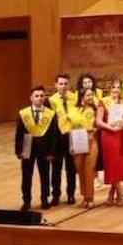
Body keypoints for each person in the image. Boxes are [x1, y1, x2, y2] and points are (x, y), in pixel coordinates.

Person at [15, 86, 61, 211]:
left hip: (44, 148)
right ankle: (26, 201)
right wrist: (18, 151)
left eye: (42, 96)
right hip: (27, 146)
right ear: (31, 98)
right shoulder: (23, 113)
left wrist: (52, 152)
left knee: (45, 175)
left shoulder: (50, 114)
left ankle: (44, 199)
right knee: (26, 175)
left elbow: (53, 136)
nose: (40, 98)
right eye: (37, 96)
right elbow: (19, 133)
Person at [97, 80, 123, 206]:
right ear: (109, 88)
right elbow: (98, 121)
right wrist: (111, 128)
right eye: (113, 87)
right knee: (111, 164)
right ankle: (120, 194)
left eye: (118, 87)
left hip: (121, 134)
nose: (116, 89)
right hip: (109, 135)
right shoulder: (103, 102)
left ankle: (111, 193)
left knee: (118, 165)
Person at [47, 74, 77, 206]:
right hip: (57, 137)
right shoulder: (51, 100)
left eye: (65, 84)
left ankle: (71, 194)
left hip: (71, 136)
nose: (63, 86)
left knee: (71, 168)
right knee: (56, 168)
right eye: (60, 84)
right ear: (55, 85)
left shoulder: (74, 98)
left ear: (69, 85)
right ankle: (56, 195)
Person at [68, 87, 100, 208]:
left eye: (91, 95)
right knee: (80, 170)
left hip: (92, 142)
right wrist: (71, 145)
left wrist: (93, 130)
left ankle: (90, 197)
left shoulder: (95, 110)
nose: (91, 97)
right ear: (81, 97)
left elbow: (99, 125)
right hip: (78, 141)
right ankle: (84, 197)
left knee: (89, 170)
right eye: (88, 95)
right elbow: (71, 129)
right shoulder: (73, 111)